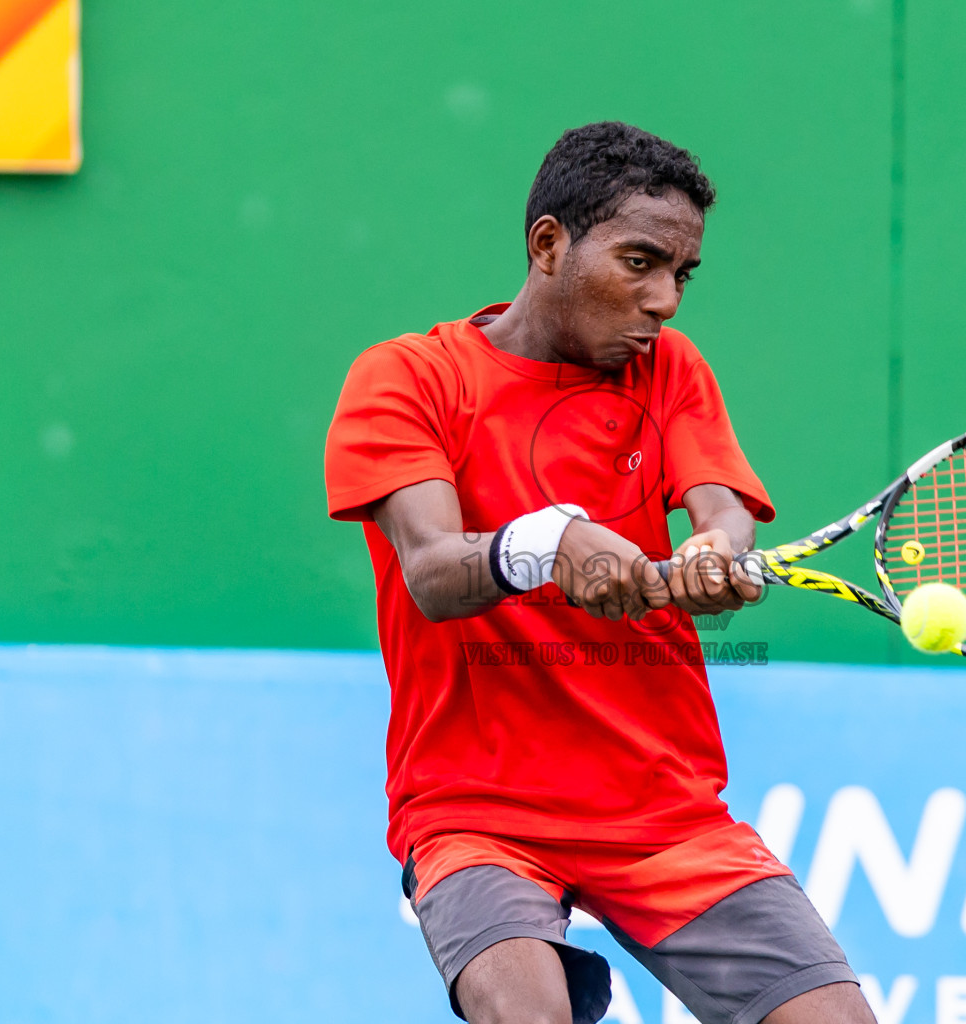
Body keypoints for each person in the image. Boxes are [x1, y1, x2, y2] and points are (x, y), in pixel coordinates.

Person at [325, 121, 876, 1024]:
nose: (665, 300)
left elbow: (722, 509)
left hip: (664, 810)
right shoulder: (408, 378)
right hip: (477, 811)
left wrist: (714, 554)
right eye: (639, 262)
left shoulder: (669, 373)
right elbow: (431, 569)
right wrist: (547, 541)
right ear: (548, 244)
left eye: (682, 275)